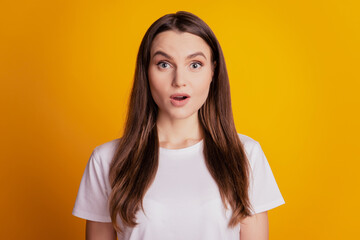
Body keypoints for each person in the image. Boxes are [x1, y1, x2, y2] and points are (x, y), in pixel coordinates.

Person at [72, 11, 285, 240]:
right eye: (164, 64)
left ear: (213, 71)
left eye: (195, 64)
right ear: (146, 72)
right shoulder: (106, 160)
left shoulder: (245, 155)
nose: (179, 80)